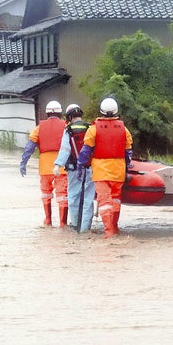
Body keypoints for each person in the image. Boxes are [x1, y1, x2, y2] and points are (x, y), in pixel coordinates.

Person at [77, 97, 133, 239]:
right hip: (118, 170)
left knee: (104, 202)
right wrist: (126, 168)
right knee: (115, 201)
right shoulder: (124, 130)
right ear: (116, 111)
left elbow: (85, 151)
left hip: (101, 171)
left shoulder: (93, 129)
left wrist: (80, 165)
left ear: (101, 111)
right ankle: (114, 227)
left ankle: (108, 231)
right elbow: (128, 153)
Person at [20, 100, 69, 227]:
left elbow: (29, 147)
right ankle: (63, 223)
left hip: (44, 167)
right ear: (60, 113)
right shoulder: (66, 126)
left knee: (46, 194)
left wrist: (23, 163)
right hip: (62, 167)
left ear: (46, 113)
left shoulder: (39, 128)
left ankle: (48, 220)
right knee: (63, 196)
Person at [53, 104, 95, 233]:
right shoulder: (90, 128)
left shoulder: (68, 130)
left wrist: (57, 165)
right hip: (90, 168)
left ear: (70, 117)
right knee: (88, 198)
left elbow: (65, 149)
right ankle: (85, 228)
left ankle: (76, 225)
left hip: (73, 169)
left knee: (74, 197)